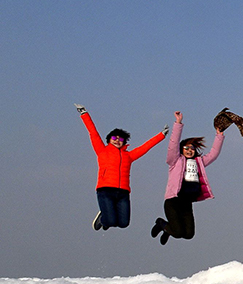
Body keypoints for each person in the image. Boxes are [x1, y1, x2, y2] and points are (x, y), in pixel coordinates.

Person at [75, 103, 166, 231]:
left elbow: (145, 147)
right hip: (105, 190)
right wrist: (84, 113)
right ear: (109, 139)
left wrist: (161, 135)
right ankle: (103, 218)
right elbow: (93, 132)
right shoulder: (102, 150)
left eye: (121, 139)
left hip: (123, 192)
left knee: (123, 223)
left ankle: (106, 215)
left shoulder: (128, 156)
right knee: (110, 221)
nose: (117, 140)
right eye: (114, 138)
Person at [151, 111, 224, 245]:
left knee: (189, 234)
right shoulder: (175, 160)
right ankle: (161, 224)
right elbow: (173, 145)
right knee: (178, 233)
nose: (189, 150)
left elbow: (213, 154)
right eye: (186, 148)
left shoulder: (199, 162)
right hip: (173, 201)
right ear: (181, 149)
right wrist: (178, 123)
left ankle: (167, 230)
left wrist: (219, 135)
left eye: (192, 148)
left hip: (186, 203)